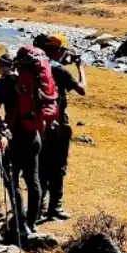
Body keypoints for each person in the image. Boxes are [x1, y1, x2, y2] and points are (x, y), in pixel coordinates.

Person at [0, 46, 56, 237]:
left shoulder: (3, 83)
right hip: (34, 135)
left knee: (12, 181)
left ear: (2, 67)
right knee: (33, 180)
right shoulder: (30, 80)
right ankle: (32, 222)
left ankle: (19, 222)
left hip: (14, 137)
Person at [32, 34, 88, 220]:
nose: (64, 54)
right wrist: (80, 68)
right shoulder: (60, 70)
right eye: (62, 50)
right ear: (55, 51)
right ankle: (55, 207)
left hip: (37, 123)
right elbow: (82, 89)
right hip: (58, 124)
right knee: (58, 166)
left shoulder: (33, 66)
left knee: (41, 165)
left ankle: (38, 205)